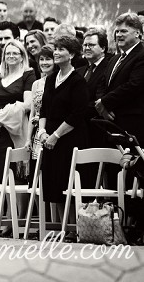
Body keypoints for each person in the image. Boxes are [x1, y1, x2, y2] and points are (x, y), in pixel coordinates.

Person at [40, 34, 89, 226]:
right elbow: (43, 109)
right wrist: (43, 132)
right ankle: (62, 227)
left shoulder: (78, 81)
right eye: (56, 48)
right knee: (54, 185)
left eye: (62, 49)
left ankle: (73, 227)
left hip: (69, 138)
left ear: (72, 54)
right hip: (50, 138)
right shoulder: (51, 78)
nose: (56, 52)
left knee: (66, 183)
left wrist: (56, 135)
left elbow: (77, 114)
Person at [0, 40, 35, 188]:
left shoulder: (28, 74)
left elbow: (27, 104)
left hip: (17, 128)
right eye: (8, 53)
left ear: (22, 56)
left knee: (18, 176)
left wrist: (1, 117)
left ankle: (20, 212)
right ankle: (6, 211)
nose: (11, 56)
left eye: (15, 53)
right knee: (2, 176)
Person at [95, 12, 144, 145]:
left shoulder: (141, 55)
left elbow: (134, 85)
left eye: (124, 31)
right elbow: (102, 83)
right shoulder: (115, 58)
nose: (119, 35)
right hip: (110, 123)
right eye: (117, 31)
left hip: (132, 125)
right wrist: (102, 106)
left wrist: (104, 102)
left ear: (138, 33)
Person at [28, 45, 54, 175]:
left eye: (48, 59)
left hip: (53, 131)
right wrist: (28, 139)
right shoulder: (36, 84)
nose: (44, 62)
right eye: (41, 59)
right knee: (36, 175)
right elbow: (32, 113)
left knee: (50, 172)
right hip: (37, 134)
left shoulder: (60, 82)